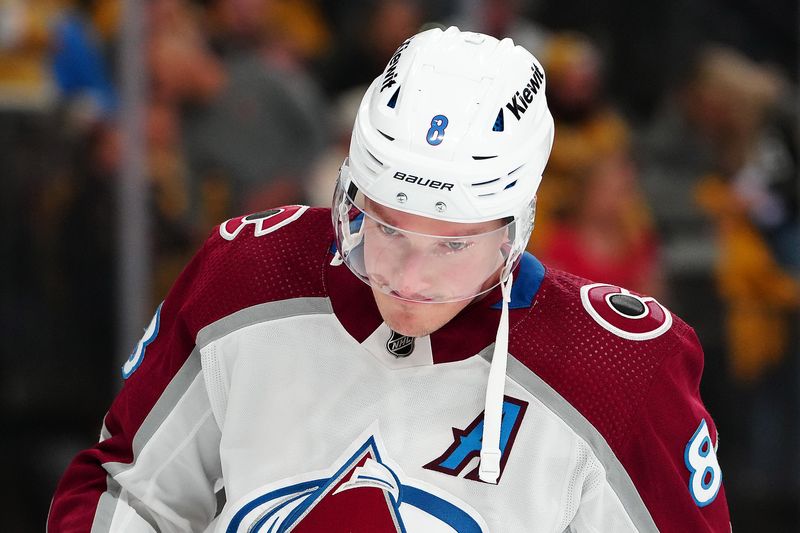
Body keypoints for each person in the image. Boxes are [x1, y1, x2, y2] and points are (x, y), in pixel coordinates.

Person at [48, 27, 730, 532]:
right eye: (388, 229)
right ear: (351, 197)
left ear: (513, 229)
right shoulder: (247, 279)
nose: (408, 277)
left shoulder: (621, 368)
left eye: (451, 246)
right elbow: (130, 493)